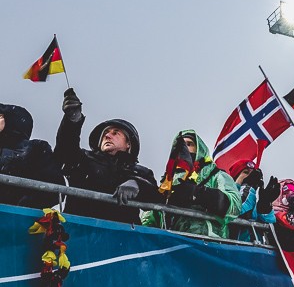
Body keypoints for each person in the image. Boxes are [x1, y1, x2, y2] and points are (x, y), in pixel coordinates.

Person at [53, 88, 158, 224]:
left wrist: (137, 183)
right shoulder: (83, 159)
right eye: (105, 134)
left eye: (115, 133)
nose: (107, 135)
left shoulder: (141, 172)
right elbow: (64, 151)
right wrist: (72, 121)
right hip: (79, 230)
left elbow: (156, 197)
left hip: (123, 233)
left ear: (129, 144)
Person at [144, 130, 240, 237]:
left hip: (208, 242)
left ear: (199, 149)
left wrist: (198, 193)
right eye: (181, 145)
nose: (184, 148)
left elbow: (234, 206)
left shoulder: (216, 175)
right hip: (172, 242)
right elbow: (150, 219)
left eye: (189, 144)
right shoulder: (168, 182)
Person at [0, 103, 63, 208]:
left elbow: (54, 189)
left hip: (18, 214)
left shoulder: (36, 148)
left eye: (0, 116)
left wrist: (24, 205)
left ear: (13, 121)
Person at [227, 159, 275, 241]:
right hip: (231, 246)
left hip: (255, 248)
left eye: (252, 174)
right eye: (246, 172)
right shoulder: (227, 194)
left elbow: (269, 226)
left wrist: (265, 206)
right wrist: (248, 187)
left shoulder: (253, 201)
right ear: (235, 177)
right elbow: (237, 210)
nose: (249, 176)